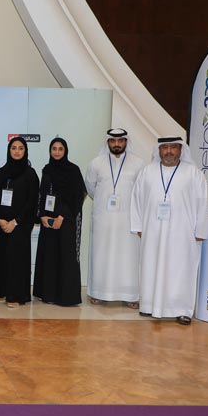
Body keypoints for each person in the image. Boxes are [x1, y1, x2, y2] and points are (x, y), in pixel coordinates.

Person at [131, 136, 208, 325]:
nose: (169, 151)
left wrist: (200, 230)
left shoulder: (193, 173)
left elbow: (204, 202)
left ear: (180, 150)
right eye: (165, 147)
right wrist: (138, 227)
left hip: (182, 234)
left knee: (180, 270)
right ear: (159, 150)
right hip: (152, 232)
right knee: (151, 266)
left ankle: (181, 309)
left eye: (173, 147)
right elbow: (136, 199)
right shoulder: (147, 172)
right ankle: (149, 305)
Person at [84, 128, 145, 308]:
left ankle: (130, 295)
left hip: (128, 220)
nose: (116, 144)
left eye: (120, 141)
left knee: (128, 257)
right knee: (101, 255)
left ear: (126, 142)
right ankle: (98, 293)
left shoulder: (139, 164)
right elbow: (91, 188)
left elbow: (141, 191)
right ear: (108, 142)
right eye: (113, 141)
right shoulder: (96, 163)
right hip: (103, 220)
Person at [33, 137, 87, 306]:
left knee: (66, 256)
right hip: (48, 220)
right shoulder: (47, 169)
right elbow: (42, 194)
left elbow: (78, 195)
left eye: (60, 149)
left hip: (66, 221)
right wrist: (42, 216)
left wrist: (61, 217)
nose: (56, 152)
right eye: (54, 149)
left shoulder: (73, 170)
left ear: (65, 151)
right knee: (49, 255)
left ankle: (66, 297)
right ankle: (48, 294)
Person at [0, 136, 39, 308]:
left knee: (16, 260)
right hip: (2, 224)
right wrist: (0, 219)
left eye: (20, 148)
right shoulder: (0, 173)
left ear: (25, 151)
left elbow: (32, 202)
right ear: (9, 150)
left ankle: (16, 295)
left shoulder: (30, 174)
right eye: (13, 148)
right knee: (1, 258)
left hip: (20, 226)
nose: (17, 151)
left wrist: (16, 222)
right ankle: (1, 291)